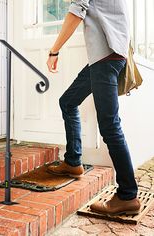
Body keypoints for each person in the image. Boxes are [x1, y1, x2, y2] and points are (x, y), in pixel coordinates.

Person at [46, 0, 141, 216]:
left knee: (109, 127)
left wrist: (54, 51)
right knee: (68, 102)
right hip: (106, 55)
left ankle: (128, 196)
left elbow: (76, 10)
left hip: (105, 57)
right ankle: (73, 162)